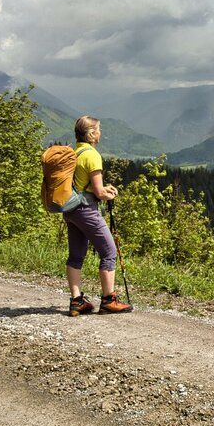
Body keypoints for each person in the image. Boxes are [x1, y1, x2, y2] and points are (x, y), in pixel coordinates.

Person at [65, 116, 133, 316]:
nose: (100, 133)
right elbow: (98, 191)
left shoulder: (73, 153)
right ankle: (108, 300)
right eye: (99, 130)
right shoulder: (92, 155)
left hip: (70, 210)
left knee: (76, 255)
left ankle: (76, 301)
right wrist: (109, 192)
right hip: (87, 210)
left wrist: (102, 189)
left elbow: (81, 184)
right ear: (92, 133)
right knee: (109, 252)